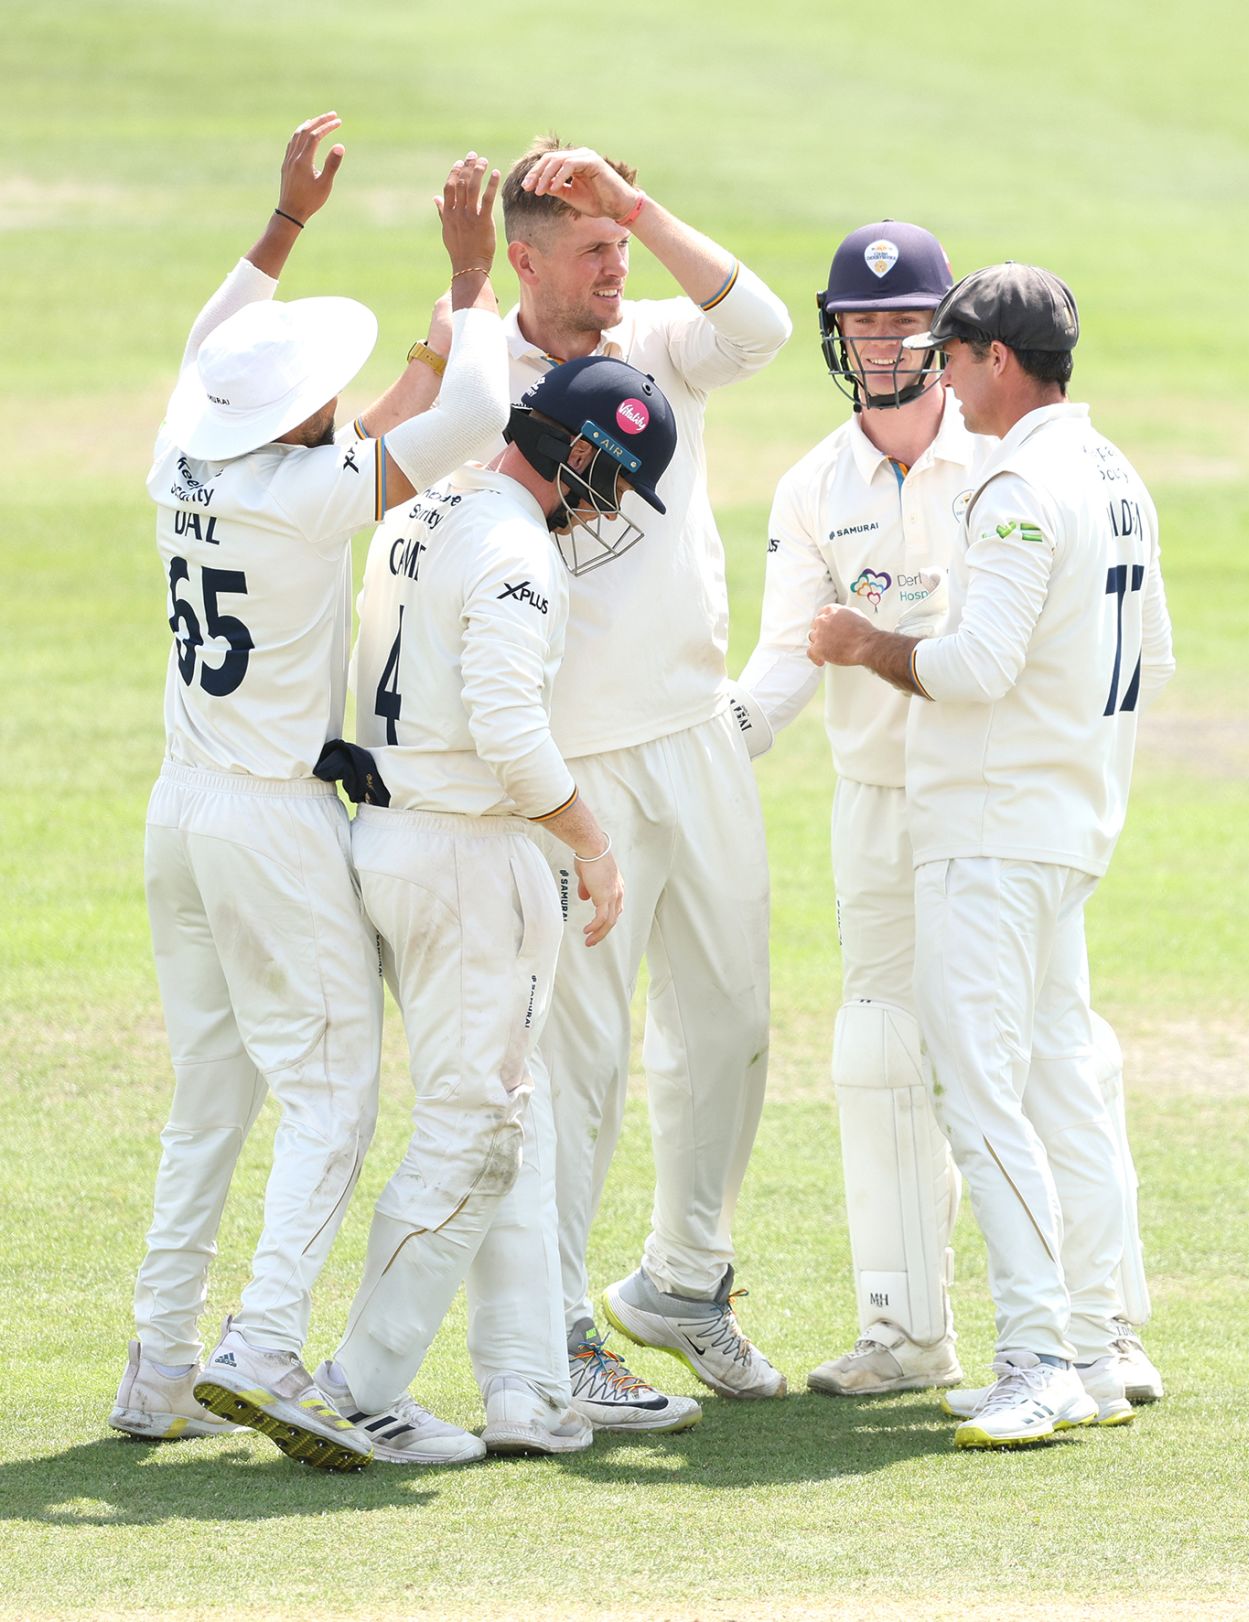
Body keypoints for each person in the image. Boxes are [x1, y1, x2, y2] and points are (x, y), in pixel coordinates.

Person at [109, 114, 511, 1472]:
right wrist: (469, 285)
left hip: (179, 810)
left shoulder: (188, 460)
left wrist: (283, 224)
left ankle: (159, 1366)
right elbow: (472, 421)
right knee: (334, 1092)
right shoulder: (307, 496)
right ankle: (264, 1344)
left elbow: (219, 359)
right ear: (296, 415)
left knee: (213, 1091)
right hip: (274, 822)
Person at [740, 224, 1165, 1414]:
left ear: (980, 356)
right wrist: (718, 744)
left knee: (1015, 1081)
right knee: (912, 1060)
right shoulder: (1105, 473)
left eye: (929, 336)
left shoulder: (1010, 475)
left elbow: (973, 667)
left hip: (986, 814)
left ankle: (1070, 1345)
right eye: (868, 326)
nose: (898, 349)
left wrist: (865, 645)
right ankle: (933, 1329)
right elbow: (1149, 657)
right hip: (971, 806)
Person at [406, 137, 793, 1423]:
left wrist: (639, 200)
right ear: (527, 258)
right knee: (577, 1059)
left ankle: (684, 1280)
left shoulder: (661, 342)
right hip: (578, 765)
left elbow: (763, 325)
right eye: (589, 244)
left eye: (619, 241)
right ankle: (564, 1329)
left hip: (698, 729)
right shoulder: (482, 376)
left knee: (730, 1025)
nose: (614, 261)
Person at [307, 356, 679, 1458]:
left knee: (505, 1113)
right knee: (475, 1126)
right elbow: (511, 735)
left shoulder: (421, 508)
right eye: (608, 481)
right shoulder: (518, 552)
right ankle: (360, 1381)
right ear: (573, 451)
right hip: (470, 853)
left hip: (387, 832)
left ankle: (522, 1386)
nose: (605, 509)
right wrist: (595, 848)